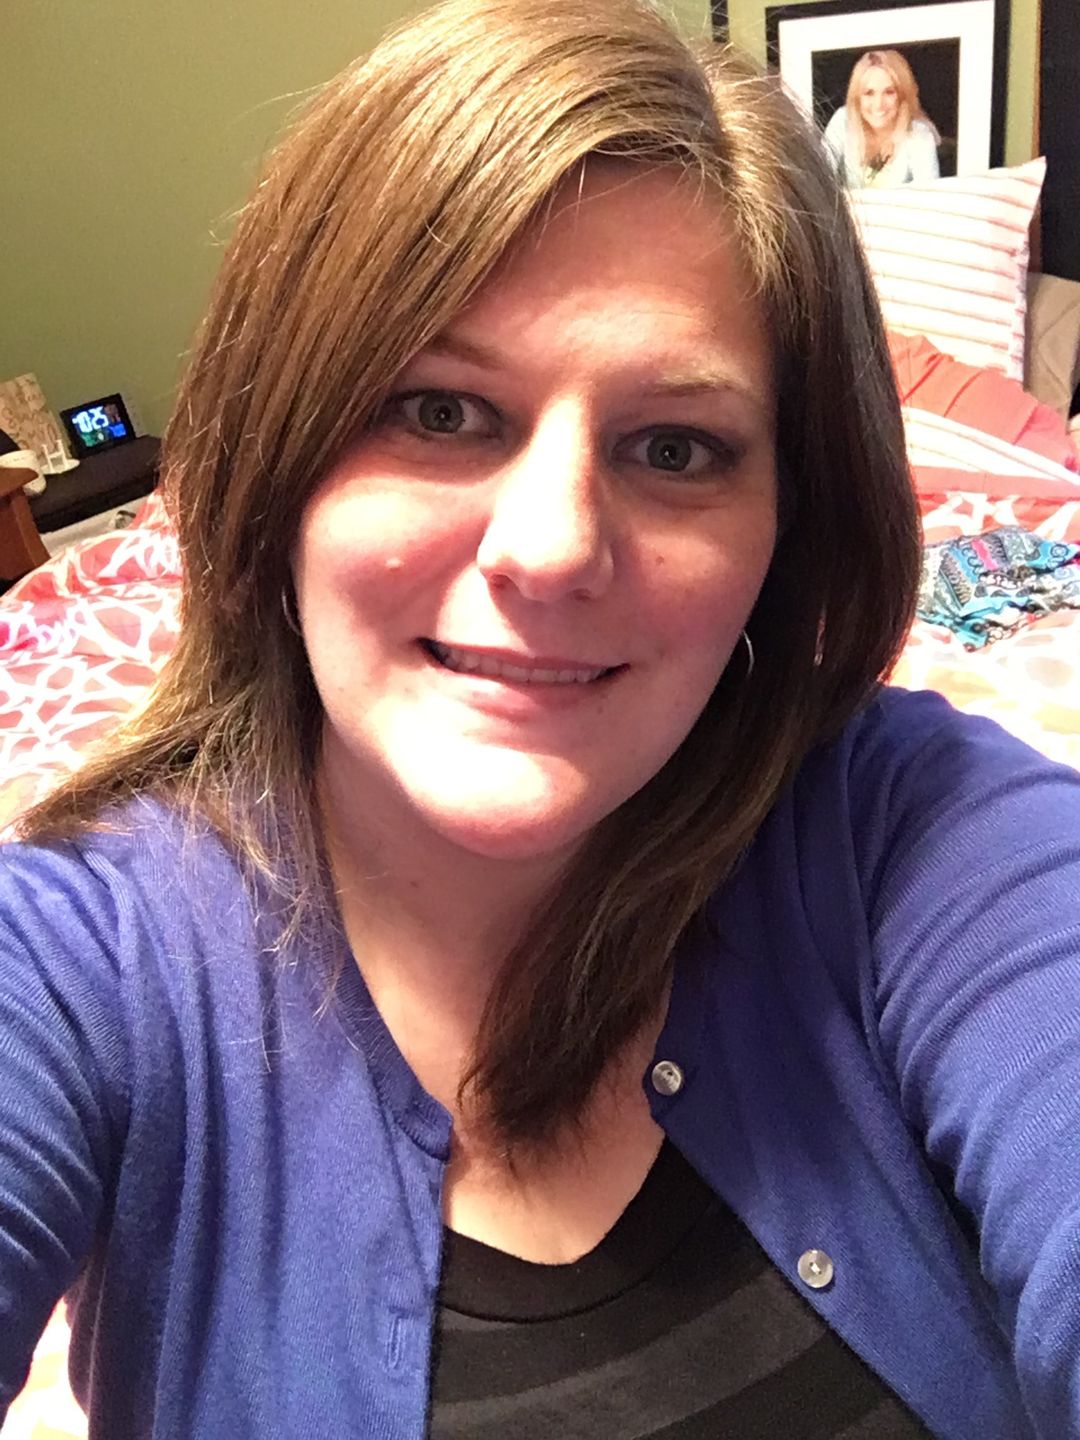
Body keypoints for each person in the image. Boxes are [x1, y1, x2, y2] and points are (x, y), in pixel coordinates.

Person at [0, 1, 1077, 1436]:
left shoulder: (920, 843)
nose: (554, 548)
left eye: (675, 445)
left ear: (787, 529)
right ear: (278, 453)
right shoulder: (83, 960)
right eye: (440, 412)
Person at [824, 48, 941, 187]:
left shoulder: (919, 135)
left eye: (889, 92)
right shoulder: (842, 120)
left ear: (902, 95)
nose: (878, 104)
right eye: (869, 93)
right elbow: (818, 176)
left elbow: (928, 194)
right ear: (857, 97)